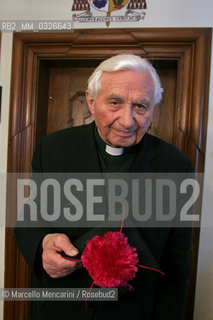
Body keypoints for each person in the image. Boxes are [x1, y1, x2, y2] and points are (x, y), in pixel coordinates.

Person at [15, 54, 193, 320]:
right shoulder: (52, 149)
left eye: (141, 107)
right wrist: (43, 244)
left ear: (153, 109)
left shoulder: (176, 166)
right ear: (90, 100)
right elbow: (31, 217)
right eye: (114, 102)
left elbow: (176, 266)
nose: (127, 121)